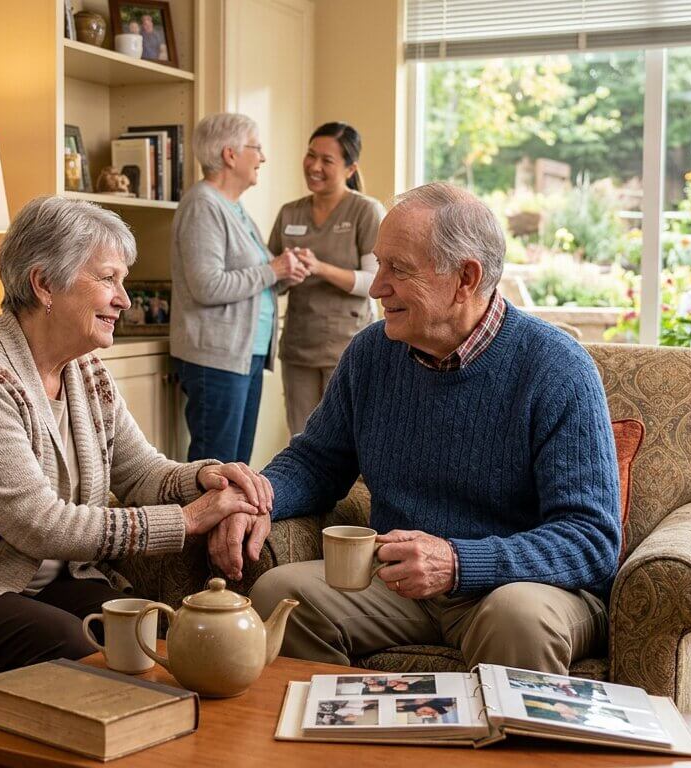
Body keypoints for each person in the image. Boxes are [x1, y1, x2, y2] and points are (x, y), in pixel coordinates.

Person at [0, 196, 273, 713]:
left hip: (42, 581)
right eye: (108, 279)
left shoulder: (86, 372)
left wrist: (209, 477)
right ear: (44, 285)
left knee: (158, 637)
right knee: (84, 653)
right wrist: (187, 520)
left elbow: (141, 471)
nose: (124, 298)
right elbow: (40, 525)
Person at [214, 182, 621, 674]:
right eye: (378, 263)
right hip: (400, 585)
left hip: (523, 587)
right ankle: (342, 746)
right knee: (280, 594)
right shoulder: (371, 354)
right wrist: (259, 497)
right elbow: (317, 461)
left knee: (518, 618)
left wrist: (457, 562)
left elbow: (591, 540)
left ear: (465, 278)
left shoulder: (557, 369)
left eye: (398, 269)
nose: (376, 286)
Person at [170, 112, 308, 463]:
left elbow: (254, 280)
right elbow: (207, 285)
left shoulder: (234, 207)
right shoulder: (203, 205)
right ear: (230, 154)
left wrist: (283, 275)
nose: (263, 157)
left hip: (245, 354)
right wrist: (272, 269)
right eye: (256, 148)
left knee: (237, 466)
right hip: (216, 357)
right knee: (215, 467)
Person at [269, 122, 386, 435]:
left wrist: (320, 268)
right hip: (298, 347)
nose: (314, 166)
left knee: (347, 439)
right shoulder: (289, 213)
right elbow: (271, 281)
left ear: (350, 169)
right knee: (302, 437)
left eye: (327, 160)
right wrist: (285, 271)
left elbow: (373, 284)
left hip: (346, 348)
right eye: (310, 156)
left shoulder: (366, 211)